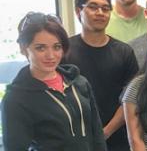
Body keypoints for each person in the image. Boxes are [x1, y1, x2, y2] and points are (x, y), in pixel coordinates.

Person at [2, 12, 107, 150]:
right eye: (40, 48)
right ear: (24, 49)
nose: (50, 56)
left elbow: (97, 135)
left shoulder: (80, 83)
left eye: (57, 47)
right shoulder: (16, 98)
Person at [63, 0, 138, 151]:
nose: (100, 12)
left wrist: (105, 132)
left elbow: (130, 99)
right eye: (93, 7)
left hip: (118, 138)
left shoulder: (124, 51)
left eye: (105, 9)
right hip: (77, 139)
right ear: (78, 11)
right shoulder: (64, 50)